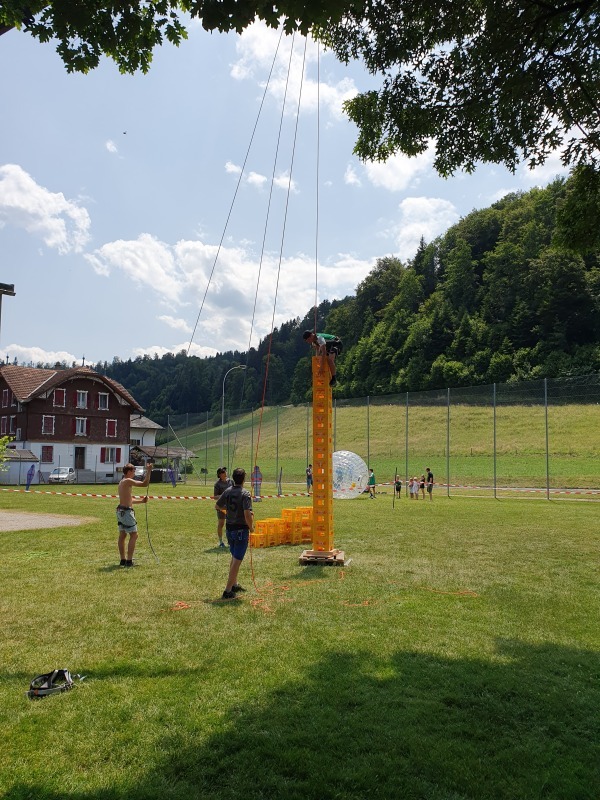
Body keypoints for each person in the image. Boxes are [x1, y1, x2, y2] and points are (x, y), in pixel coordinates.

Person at [215, 467, 254, 600]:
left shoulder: (227, 491)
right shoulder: (245, 494)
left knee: (234, 557)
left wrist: (229, 511)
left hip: (229, 529)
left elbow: (217, 506)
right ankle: (228, 590)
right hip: (241, 530)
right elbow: (247, 514)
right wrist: (251, 528)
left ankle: (234, 584)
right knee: (237, 561)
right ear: (243, 479)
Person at [116, 462, 152, 567]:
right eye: (134, 471)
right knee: (134, 535)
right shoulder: (128, 481)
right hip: (126, 512)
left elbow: (128, 500)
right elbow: (145, 484)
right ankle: (129, 561)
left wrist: (141, 501)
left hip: (120, 511)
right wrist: (149, 471)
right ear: (129, 471)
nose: (134, 473)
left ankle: (123, 560)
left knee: (122, 535)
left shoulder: (122, 482)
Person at [214, 466, 234, 547]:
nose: (225, 473)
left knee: (231, 524)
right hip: (221, 507)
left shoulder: (231, 482)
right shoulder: (217, 484)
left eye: (225, 471)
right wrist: (224, 495)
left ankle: (230, 540)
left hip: (231, 507)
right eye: (223, 472)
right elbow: (215, 497)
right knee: (221, 523)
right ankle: (221, 541)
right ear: (219, 474)